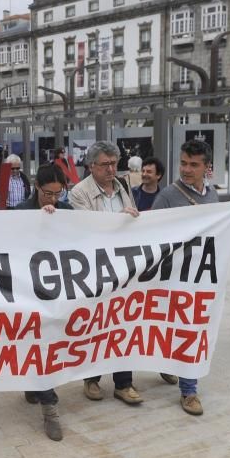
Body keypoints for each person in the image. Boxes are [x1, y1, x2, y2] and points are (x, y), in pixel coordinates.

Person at [151, 140, 230, 416]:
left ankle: (185, 383)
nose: (187, 169)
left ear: (207, 168)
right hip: (175, 276)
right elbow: (151, 232)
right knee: (178, 327)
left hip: (202, 277)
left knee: (192, 328)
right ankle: (184, 383)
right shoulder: (168, 195)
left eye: (194, 164)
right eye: (183, 162)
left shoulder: (212, 196)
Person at [69, 141, 153, 406]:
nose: (111, 169)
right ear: (91, 166)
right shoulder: (79, 192)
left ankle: (123, 383)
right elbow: (88, 228)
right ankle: (92, 379)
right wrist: (121, 217)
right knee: (95, 323)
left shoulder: (123, 186)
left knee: (123, 323)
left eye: (114, 163)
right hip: (94, 268)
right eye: (105, 164)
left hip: (123, 267)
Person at [13, 164, 72, 441]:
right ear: (37, 188)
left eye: (58, 193)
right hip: (29, 293)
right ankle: (50, 409)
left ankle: (34, 383)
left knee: (50, 344)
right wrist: (38, 220)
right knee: (37, 343)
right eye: (48, 193)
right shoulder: (19, 214)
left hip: (59, 293)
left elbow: (95, 236)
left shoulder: (69, 213)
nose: (53, 199)